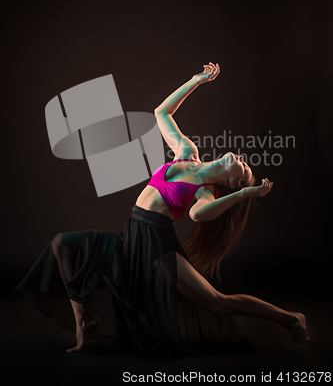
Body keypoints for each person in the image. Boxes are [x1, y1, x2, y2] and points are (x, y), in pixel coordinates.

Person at [16, 62, 310, 355]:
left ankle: (290, 318)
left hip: (157, 244)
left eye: (244, 169)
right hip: (133, 236)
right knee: (62, 244)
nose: (243, 160)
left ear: (232, 181)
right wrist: (196, 81)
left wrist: (245, 193)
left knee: (216, 302)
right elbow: (162, 113)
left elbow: (198, 214)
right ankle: (84, 320)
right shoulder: (187, 153)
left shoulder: (205, 192)